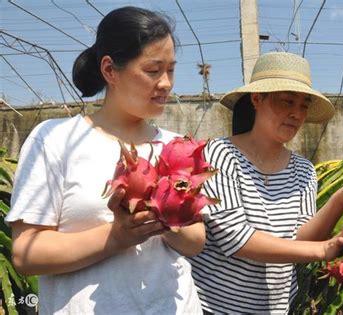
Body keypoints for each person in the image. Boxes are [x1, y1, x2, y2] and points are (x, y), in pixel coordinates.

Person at [6, 6, 204, 314]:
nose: (166, 83)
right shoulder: (55, 140)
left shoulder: (174, 146)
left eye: (171, 70)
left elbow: (195, 242)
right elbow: (26, 253)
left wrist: (163, 215)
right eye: (153, 70)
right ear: (110, 70)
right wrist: (115, 237)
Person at [188, 52, 343, 314]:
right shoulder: (219, 155)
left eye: (303, 105)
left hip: (280, 308)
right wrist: (324, 249)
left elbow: (300, 239)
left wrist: (341, 199)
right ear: (256, 99)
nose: (296, 114)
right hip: (217, 307)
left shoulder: (303, 170)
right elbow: (236, 240)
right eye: (286, 101)